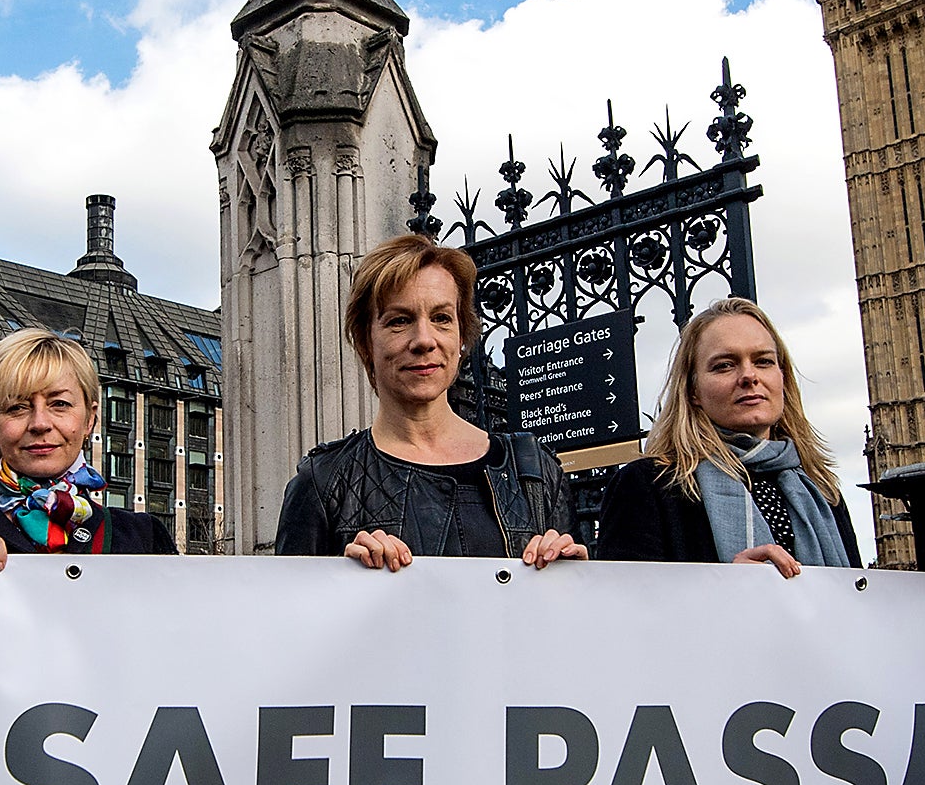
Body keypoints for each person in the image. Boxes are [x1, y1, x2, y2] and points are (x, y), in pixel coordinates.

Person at [275, 233, 582, 569]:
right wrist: (343, 583)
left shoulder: (534, 470)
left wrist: (575, 575)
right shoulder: (324, 482)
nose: (424, 340)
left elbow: (577, 616)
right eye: (399, 321)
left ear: (462, 335)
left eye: (441, 319)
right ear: (365, 341)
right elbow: (287, 616)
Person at [596, 296, 859, 572]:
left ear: (783, 377)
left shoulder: (821, 490)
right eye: (724, 365)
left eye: (764, 361)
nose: (749, 376)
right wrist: (727, 590)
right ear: (693, 390)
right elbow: (626, 607)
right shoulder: (648, 486)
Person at [0, 326, 176, 560]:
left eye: (60, 404)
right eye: (17, 408)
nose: (40, 423)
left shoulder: (143, 538)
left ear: (90, 419)